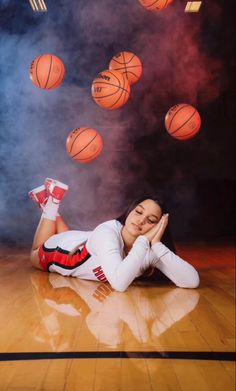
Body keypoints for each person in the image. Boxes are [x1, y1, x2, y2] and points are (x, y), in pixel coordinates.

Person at [29, 178, 200, 292]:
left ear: (158, 228)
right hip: (64, 254)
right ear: (129, 211)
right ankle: (52, 203)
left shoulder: (149, 249)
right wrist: (144, 240)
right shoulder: (108, 232)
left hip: (80, 241)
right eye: (138, 212)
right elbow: (119, 283)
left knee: (66, 236)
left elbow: (192, 281)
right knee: (34, 254)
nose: (141, 221)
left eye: (151, 220)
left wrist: (157, 245)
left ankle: (47, 202)